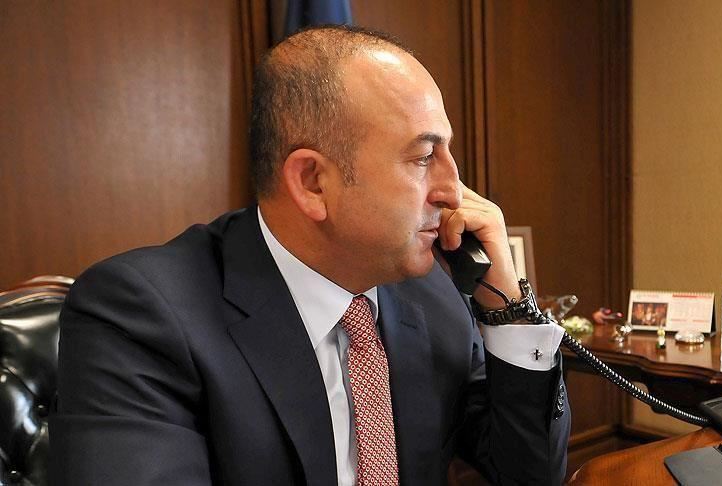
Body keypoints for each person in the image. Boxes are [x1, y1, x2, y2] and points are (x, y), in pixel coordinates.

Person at [49, 26, 570, 485]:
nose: (453, 191)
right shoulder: (140, 315)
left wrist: (508, 310)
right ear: (313, 181)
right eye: (422, 157)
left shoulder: (432, 295)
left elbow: (529, 475)